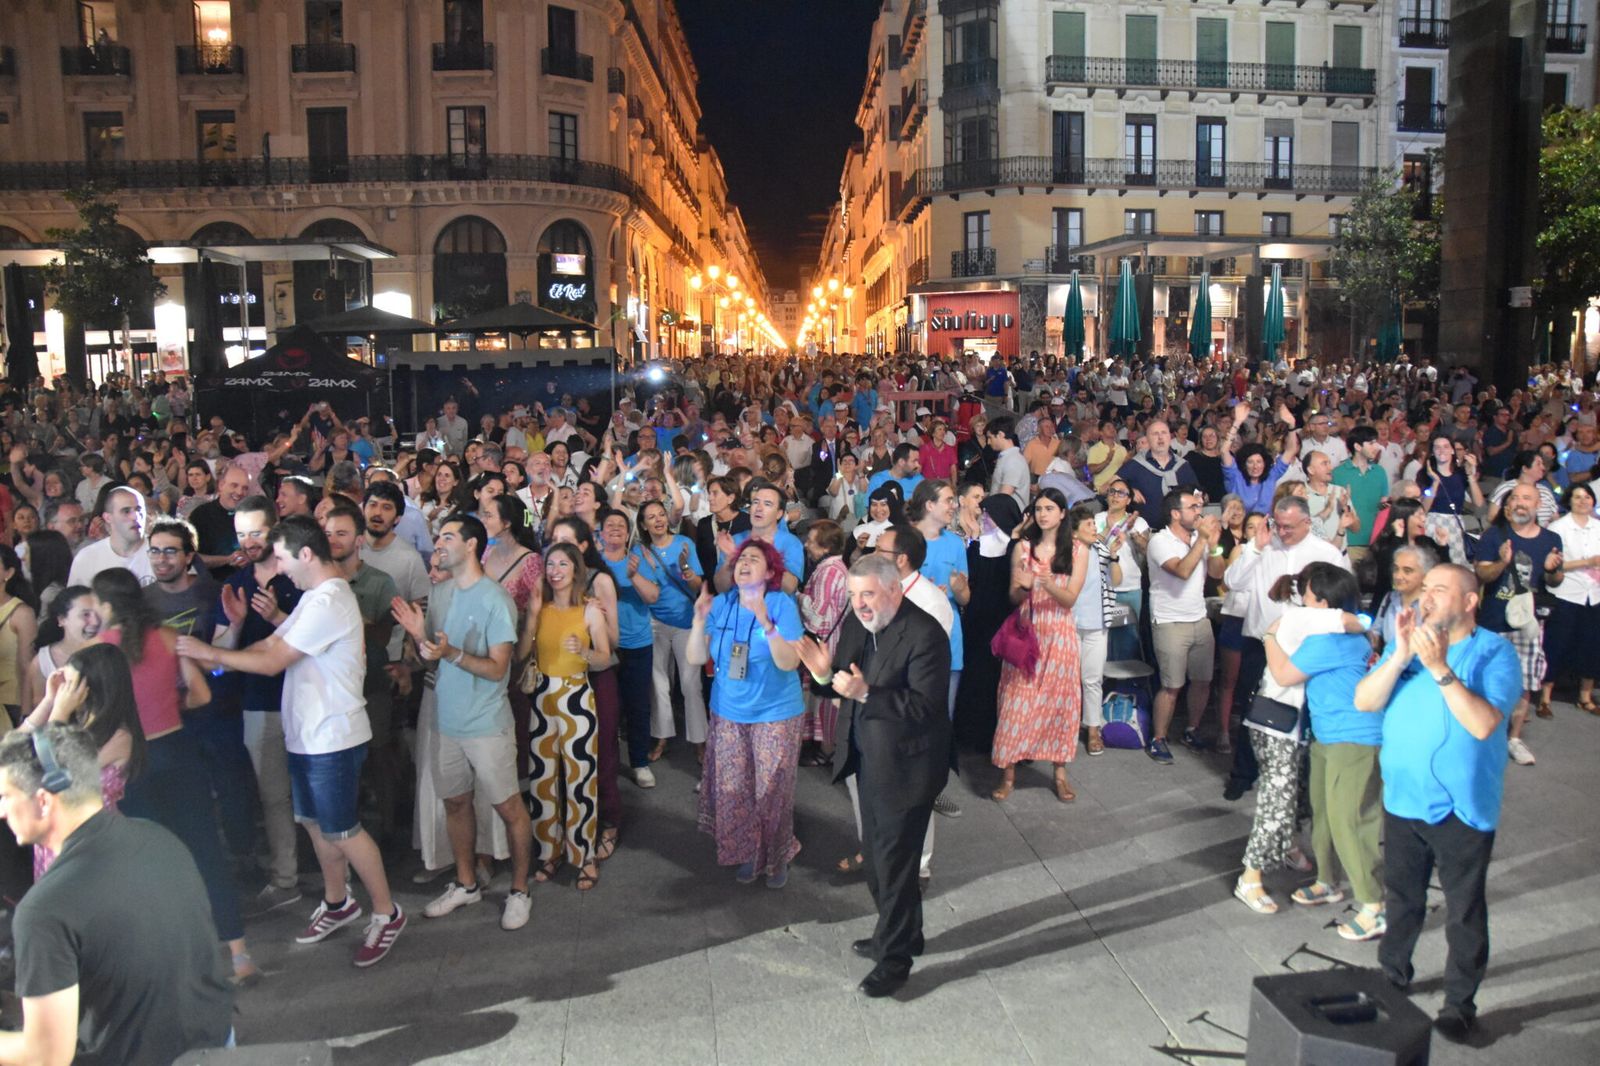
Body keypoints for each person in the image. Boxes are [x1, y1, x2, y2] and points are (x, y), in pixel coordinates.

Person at [176, 516, 406, 968]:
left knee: (344, 829)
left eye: (281, 558)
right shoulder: (314, 598)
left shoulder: (330, 599)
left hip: (333, 734)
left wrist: (208, 654)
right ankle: (339, 903)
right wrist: (235, 634)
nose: (277, 568)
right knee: (315, 825)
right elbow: (269, 646)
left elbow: (273, 661)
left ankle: (387, 911)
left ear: (305, 554)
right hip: (307, 732)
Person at [1354, 564, 1521, 1043]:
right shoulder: (1408, 651)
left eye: (1438, 590)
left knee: (1463, 909)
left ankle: (1459, 1003)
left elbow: (1485, 724)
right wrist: (1398, 654)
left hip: (1462, 810)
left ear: (1469, 602)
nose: (1424, 598)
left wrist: (1440, 668)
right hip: (1404, 801)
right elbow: (1365, 701)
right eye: (1423, 589)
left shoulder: (1495, 652)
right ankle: (1392, 975)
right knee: (1402, 898)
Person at [0, 725, 234, 1066]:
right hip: (216, 1045)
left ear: (43, 800)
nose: (2, 812)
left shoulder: (45, 910)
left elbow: (46, 1055)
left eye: (5, 797)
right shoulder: (158, 838)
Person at [91, 568, 258, 985]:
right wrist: (170, 703)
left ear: (107, 605)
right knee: (205, 853)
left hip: (132, 763)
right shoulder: (167, 638)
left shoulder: (97, 652)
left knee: (146, 863)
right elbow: (201, 694)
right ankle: (239, 955)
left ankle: (170, 965)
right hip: (178, 753)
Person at [795, 553, 951, 998]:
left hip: (909, 766)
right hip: (867, 759)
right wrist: (823, 675)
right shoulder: (858, 625)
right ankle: (902, 934)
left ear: (894, 590)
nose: (859, 604)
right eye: (852, 594)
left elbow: (926, 707)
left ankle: (895, 959)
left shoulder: (925, 634)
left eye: (867, 594)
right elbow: (838, 678)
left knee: (893, 867)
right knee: (880, 859)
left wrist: (866, 693)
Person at [392, 514, 532, 929]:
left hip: (487, 722)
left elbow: (497, 669)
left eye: (448, 536)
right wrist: (417, 642)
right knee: (455, 802)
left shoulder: (495, 599)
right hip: (447, 721)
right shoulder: (440, 594)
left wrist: (450, 654)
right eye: (438, 536)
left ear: (472, 545)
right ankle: (466, 883)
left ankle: (520, 890)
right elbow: (431, 653)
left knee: (509, 807)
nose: (438, 543)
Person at [1265, 572, 1387, 942]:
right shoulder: (1350, 634)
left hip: (1355, 739)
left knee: (1349, 819)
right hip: (1327, 736)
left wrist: (1270, 635)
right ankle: (1327, 881)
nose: (1302, 601)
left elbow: (1284, 674)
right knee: (1323, 811)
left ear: (1322, 604)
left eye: (1307, 597)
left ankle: (1373, 905)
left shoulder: (1331, 641)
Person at [1234, 563, 1362, 917]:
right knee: (1277, 801)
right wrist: (1370, 627)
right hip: (1278, 725)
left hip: (1296, 725)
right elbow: (1355, 621)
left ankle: (1288, 845)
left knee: (1300, 795)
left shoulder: (1304, 617)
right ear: (1323, 600)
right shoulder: (1306, 617)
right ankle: (1250, 878)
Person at [688, 539, 806, 888]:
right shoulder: (722, 604)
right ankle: (748, 851)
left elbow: (790, 661)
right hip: (728, 712)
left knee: (772, 793)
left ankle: (776, 856)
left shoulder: (780, 604)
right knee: (735, 789)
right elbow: (696, 658)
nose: (743, 564)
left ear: (770, 572)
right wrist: (698, 621)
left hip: (776, 712)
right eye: (740, 559)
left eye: (753, 559)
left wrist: (764, 622)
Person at [1220, 495, 1351, 800]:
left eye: (1289, 526)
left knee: (1306, 710)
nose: (1282, 531)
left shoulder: (1326, 553)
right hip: (1262, 642)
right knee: (1252, 709)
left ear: (1307, 522)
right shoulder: (1264, 547)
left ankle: (1301, 778)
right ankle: (1243, 774)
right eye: (1278, 525)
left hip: (1307, 648)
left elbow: (1342, 593)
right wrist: (1256, 547)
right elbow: (1233, 582)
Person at [211, 495, 304, 915]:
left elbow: (321, 642)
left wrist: (279, 617)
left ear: (275, 527)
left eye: (256, 532)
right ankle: (286, 878)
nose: (248, 542)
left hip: (306, 698)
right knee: (274, 797)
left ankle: (337, 875)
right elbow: (218, 654)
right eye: (241, 534)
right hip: (258, 702)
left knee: (316, 794)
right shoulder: (235, 584)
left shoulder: (299, 577)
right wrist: (233, 625)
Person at [516, 541, 611, 891]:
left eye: (562, 565)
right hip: (542, 697)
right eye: (550, 565)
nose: (555, 571)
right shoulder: (539, 607)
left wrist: (585, 652)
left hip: (576, 697)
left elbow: (604, 656)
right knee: (542, 780)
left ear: (576, 570)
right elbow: (522, 653)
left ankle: (583, 854)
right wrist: (532, 616)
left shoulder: (589, 610)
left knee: (581, 779)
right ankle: (549, 851)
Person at [993, 488, 1086, 802]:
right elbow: (1013, 596)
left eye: (1050, 508)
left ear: (1062, 513)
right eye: (1039, 508)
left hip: (1059, 634)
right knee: (1015, 704)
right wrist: (1026, 585)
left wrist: (1046, 581)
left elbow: (1070, 598)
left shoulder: (1077, 550)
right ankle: (1008, 774)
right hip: (1028, 632)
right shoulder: (1023, 547)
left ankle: (1060, 774)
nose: (1043, 514)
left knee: (1059, 704)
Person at [1472, 482, 1564, 766]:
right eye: (1515, 498)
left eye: (1527, 498)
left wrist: (1552, 571)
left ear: (1538, 505)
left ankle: (1514, 737)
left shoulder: (1551, 538)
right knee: (1485, 680)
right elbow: (1482, 574)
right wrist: (1501, 562)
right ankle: (1483, 733)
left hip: (1528, 623)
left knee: (1525, 682)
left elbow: (1554, 582)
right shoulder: (1494, 535)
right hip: (1492, 620)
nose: (1520, 502)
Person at [1144, 489, 1225, 762]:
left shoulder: (1196, 539)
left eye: (1200, 506)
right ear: (1175, 513)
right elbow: (1182, 571)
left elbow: (1216, 573)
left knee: (1202, 681)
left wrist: (1213, 545)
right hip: (1169, 621)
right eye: (1192, 507)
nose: (1199, 511)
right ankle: (1158, 738)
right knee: (1171, 686)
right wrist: (1202, 540)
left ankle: (1191, 729)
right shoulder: (1160, 541)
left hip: (1199, 619)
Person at [1542, 482, 1600, 714]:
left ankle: (1585, 696)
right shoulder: (1558, 528)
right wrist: (1587, 562)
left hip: (1594, 594)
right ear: (1569, 500)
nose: (1583, 501)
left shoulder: (1598, 527)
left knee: (1592, 645)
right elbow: (1553, 563)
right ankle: (1545, 696)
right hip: (1567, 592)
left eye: (1587, 497)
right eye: (1577, 497)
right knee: (1557, 644)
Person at [798, 519, 849, 769]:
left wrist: (797, 596)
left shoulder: (829, 571)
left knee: (826, 698)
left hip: (827, 646)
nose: (807, 544)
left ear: (826, 546)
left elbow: (818, 615)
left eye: (811, 540)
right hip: (830, 643)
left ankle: (827, 749)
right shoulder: (836, 568)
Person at [1116, 420, 1198, 527]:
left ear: (1170, 437)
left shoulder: (1182, 465)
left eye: (1164, 433)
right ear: (1148, 440)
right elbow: (1106, 488)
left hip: (1179, 533)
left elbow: (1197, 493)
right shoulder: (1136, 463)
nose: (1160, 437)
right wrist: (1128, 490)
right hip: (1145, 533)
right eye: (1155, 434)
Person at [68, 485, 153, 587]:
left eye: (139, 510)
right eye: (126, 511)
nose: (135, 516)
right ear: (108, 518)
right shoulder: (87, 557)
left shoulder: (161, 553)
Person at [0, 544, 38, 723]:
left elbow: (26, 666)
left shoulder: (21, 613)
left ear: (8, 573)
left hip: (10, 706)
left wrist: (26, 714)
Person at [985, 418, 1030, 509]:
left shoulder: (1013, 460)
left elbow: (1004, 496)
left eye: (990, 437)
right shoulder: (1008, 458)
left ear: (1001, 435)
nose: (988, 442)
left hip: (1009, 518)